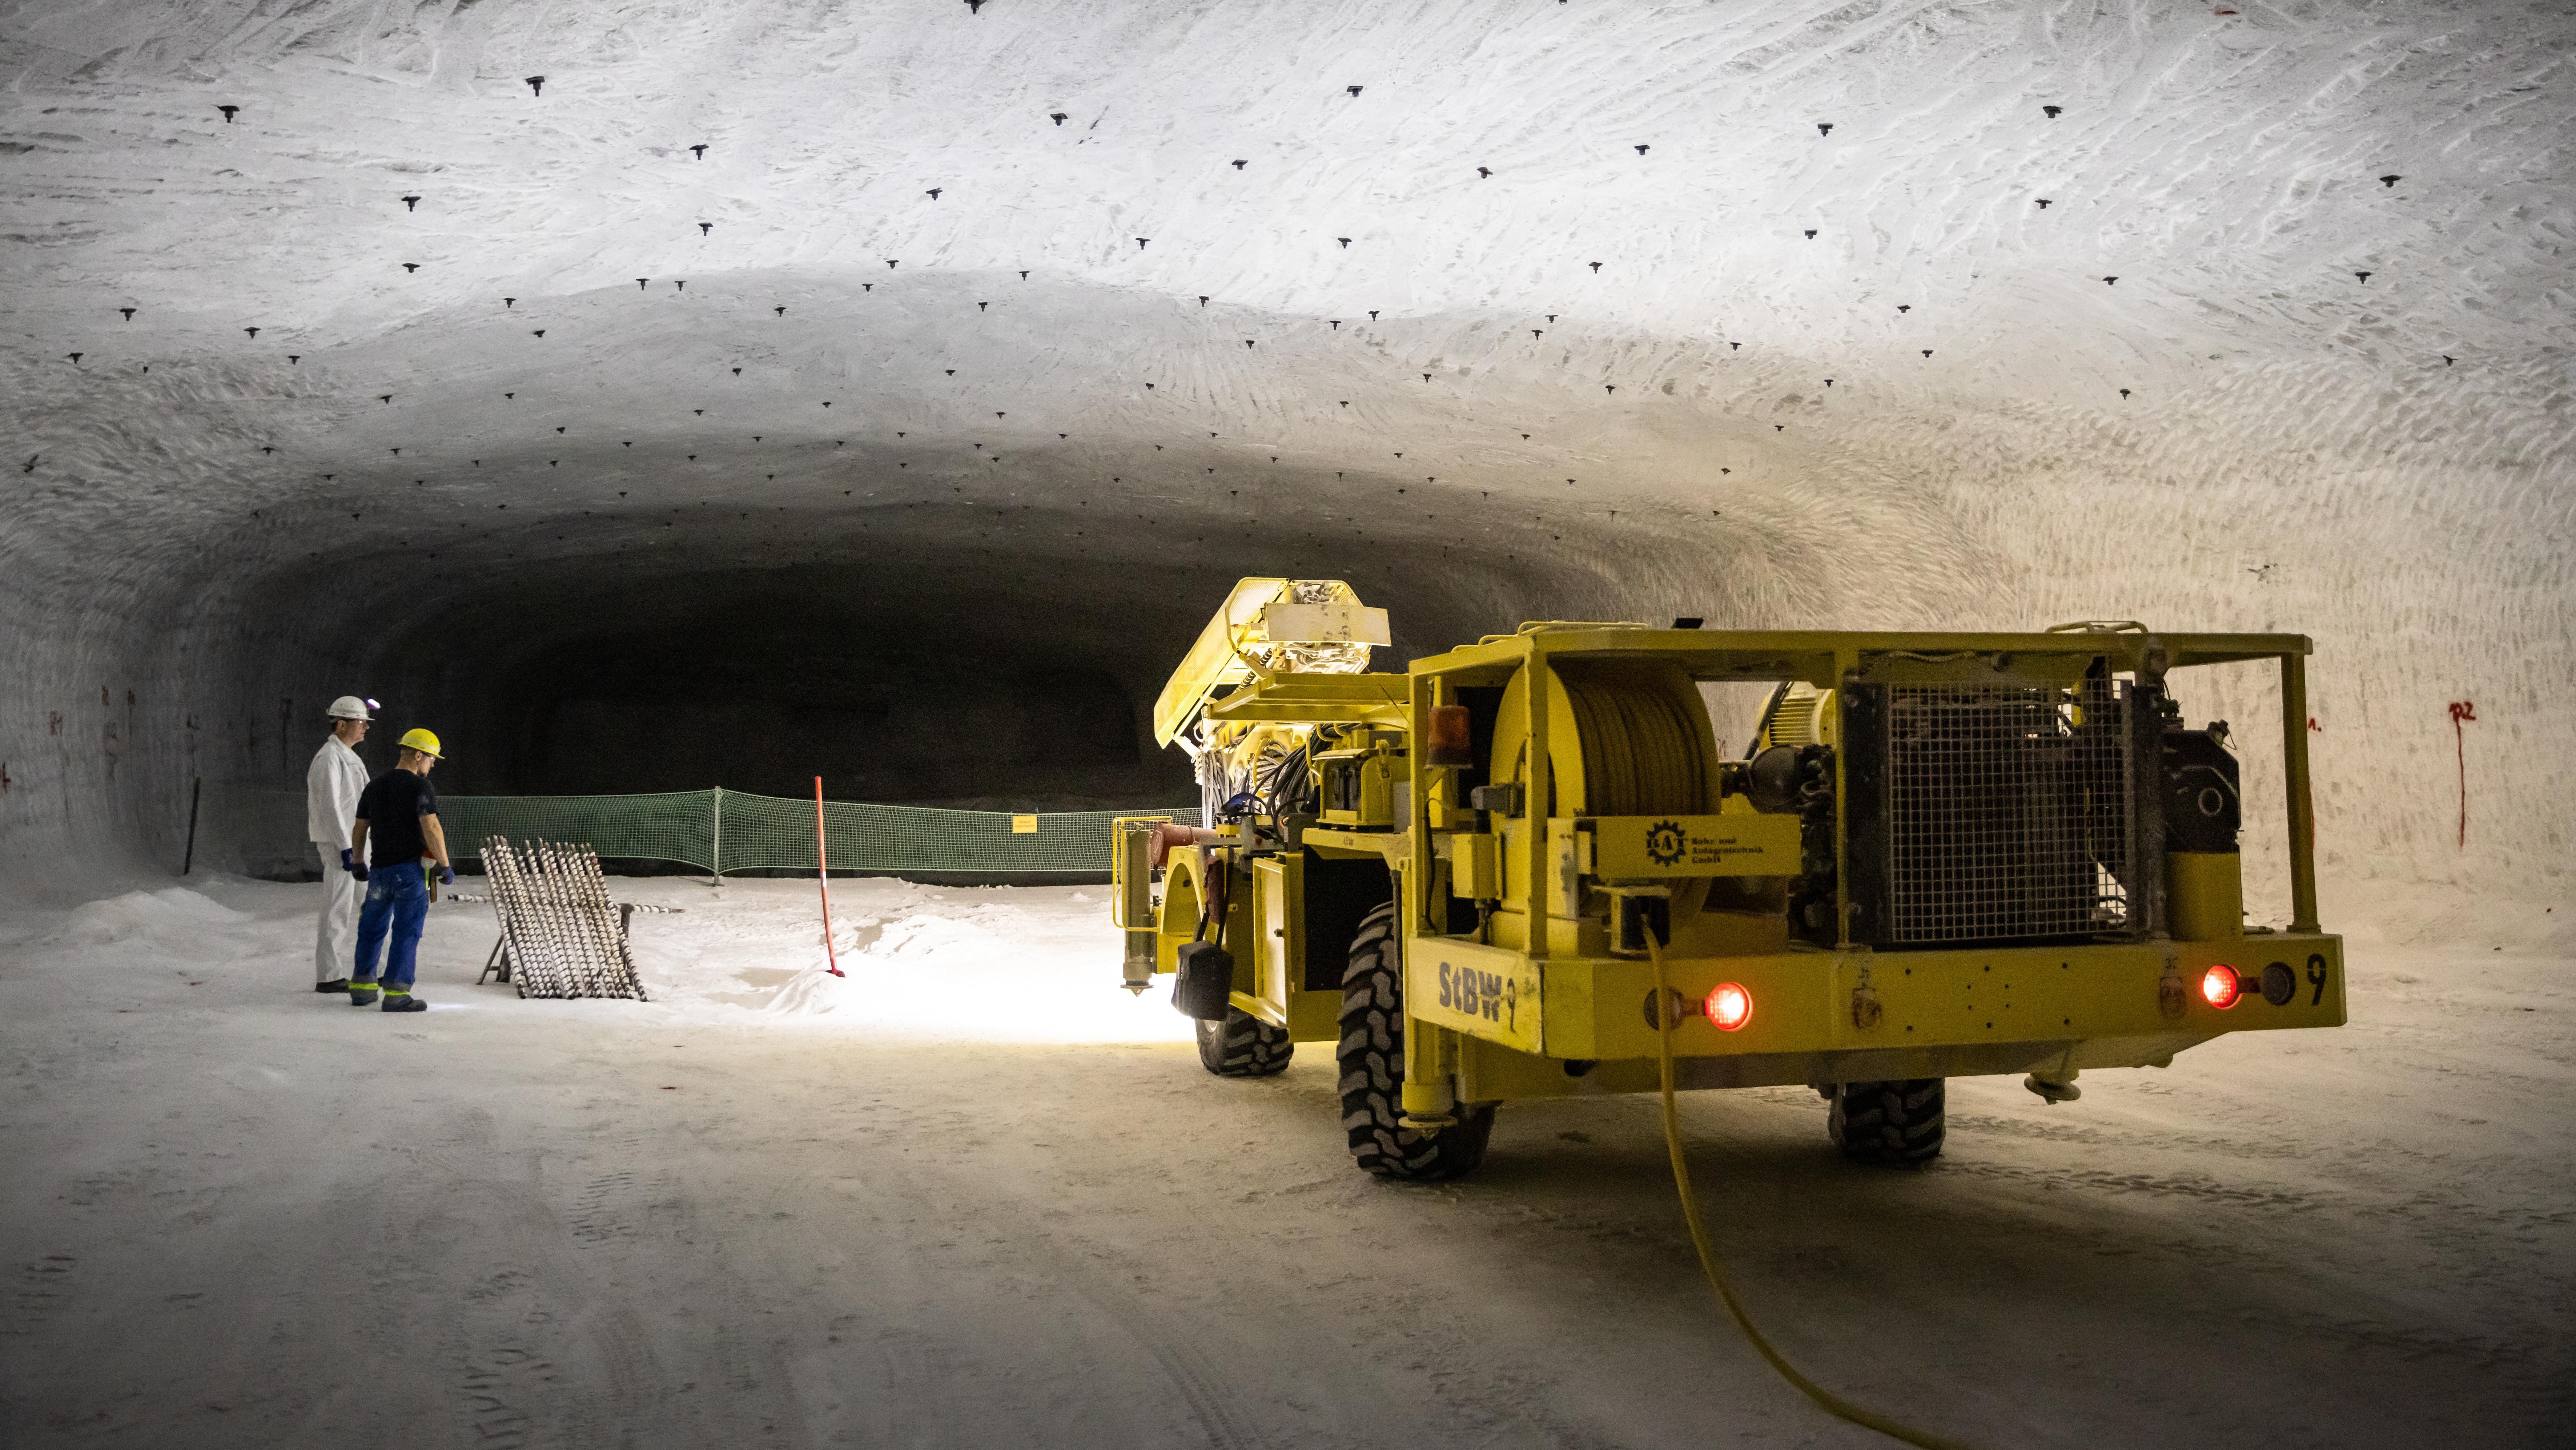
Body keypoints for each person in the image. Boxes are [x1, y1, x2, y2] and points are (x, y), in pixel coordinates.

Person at [346, 728, 454, 1013]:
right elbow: (431, 827)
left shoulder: (374, 787)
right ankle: (396, 995)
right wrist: (444, 864)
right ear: (418, 755)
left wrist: (358, 861)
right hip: (409, 872)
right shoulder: (420, 788)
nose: (432, 765)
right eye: (431, 759)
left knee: (370, 930)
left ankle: (362, 990)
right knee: (407, 932)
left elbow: (360, 827)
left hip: (380, 873)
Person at [305, 697, 374, 994]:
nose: (366, 729)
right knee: (338, 908)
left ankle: (376, 969)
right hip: (340, 846)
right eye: (361, 723)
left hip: (357, 844)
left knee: (371, 906)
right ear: (342, 724)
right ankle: (329, 975)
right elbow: (330, 806)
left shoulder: (348, 756)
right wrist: (346, 847)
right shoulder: (329, 758)